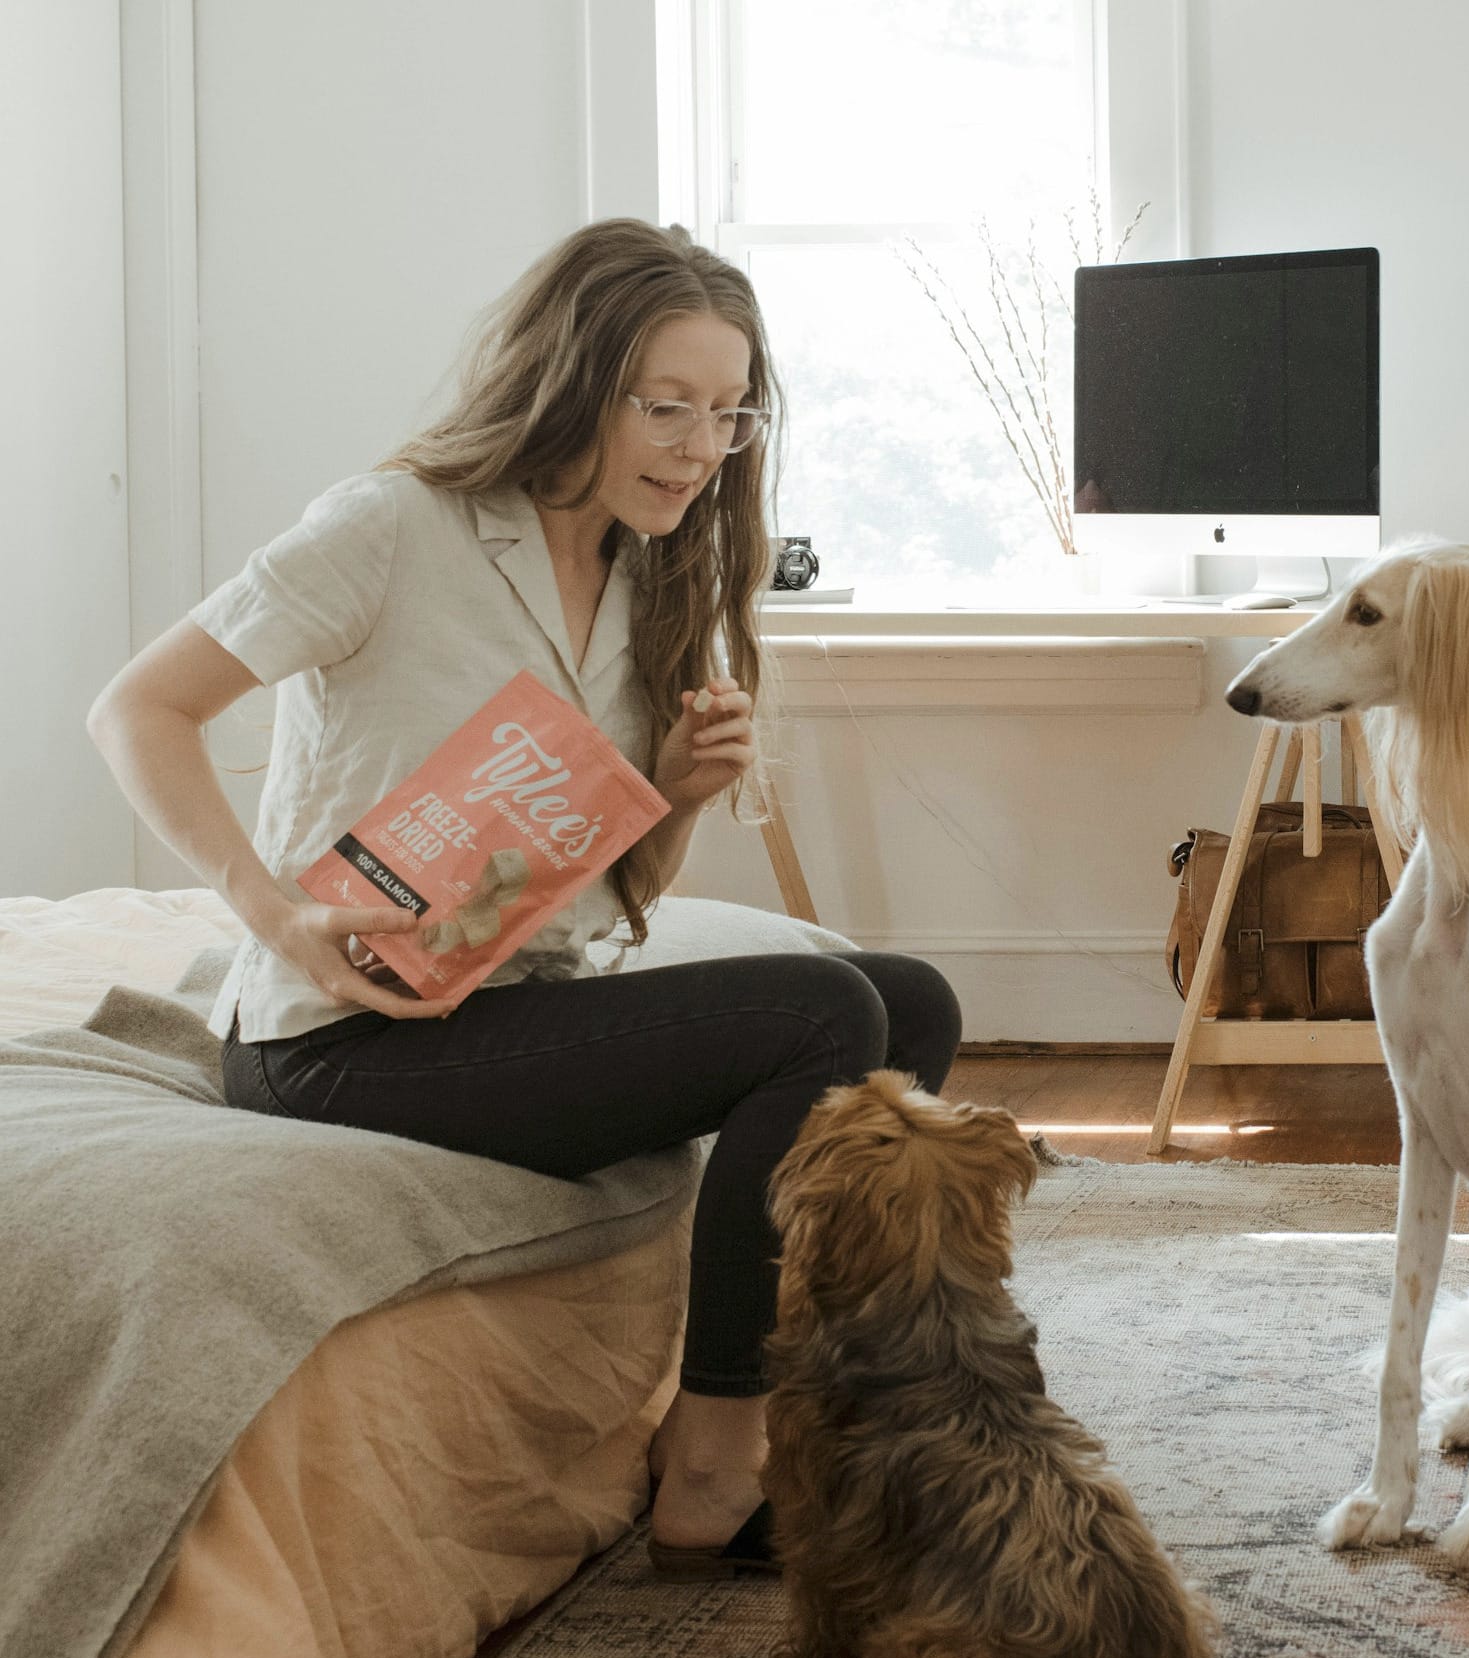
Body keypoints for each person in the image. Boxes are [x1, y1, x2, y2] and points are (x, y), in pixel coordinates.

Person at [86, 219, 962, 1576]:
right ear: (572, 382)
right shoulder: (392, 528)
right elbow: (136, 708)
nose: (697, 446)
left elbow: (604, 896)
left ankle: (836, 1411)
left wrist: (669, 789)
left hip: (509, 1005)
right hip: (340, 1044)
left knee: (907, 1002)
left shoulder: (646, 575)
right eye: (667, 406)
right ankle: (714, 1459)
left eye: (727, 417)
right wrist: (275, 917)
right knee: (818, 1010)